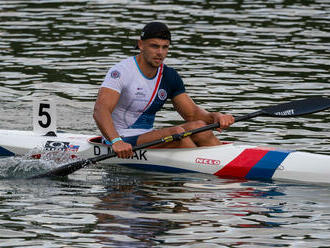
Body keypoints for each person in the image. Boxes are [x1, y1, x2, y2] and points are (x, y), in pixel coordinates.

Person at [93, 21, 235, 159]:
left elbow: (192, 114)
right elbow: (100, 110)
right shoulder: (121, 71)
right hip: (120, 139)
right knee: (177, 133)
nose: (160, 53)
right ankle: (208, 168)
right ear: (141, 45)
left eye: (165, 47)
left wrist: (215, 116)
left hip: (147, 136)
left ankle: (227, 161)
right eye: (154, 46)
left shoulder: (169, 76)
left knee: (200, 126)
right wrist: (116, 141)